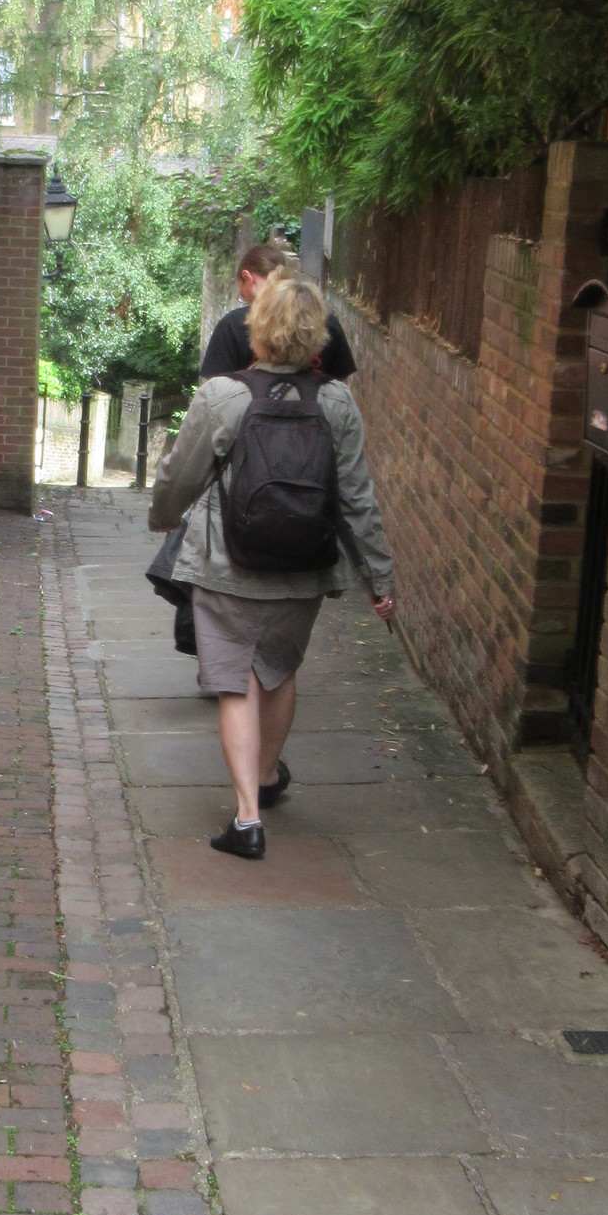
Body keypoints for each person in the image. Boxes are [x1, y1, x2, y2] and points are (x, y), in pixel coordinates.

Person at [150, 273, 396, 860]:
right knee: (279, 672)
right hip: (303, 566)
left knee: (233, 683)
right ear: (317, 338)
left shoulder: (223, 396)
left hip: (225, 564)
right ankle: (264, 776)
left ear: (256, 329)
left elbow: (179, 474)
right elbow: (357, 500)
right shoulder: (336, 403)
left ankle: (247, 819)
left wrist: (164, 515)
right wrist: (379, 579)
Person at [201, 241, 357, 383]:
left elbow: (214, 392)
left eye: (241, 292)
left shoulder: (231, 326)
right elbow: (341, 388)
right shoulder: (326, 322)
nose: (242, 296)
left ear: (247, 277)